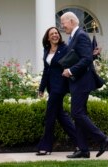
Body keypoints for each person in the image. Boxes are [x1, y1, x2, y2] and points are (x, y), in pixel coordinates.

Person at [60, 12, 108, 158]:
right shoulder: (75, 36)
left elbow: (85, 59)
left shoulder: (80, 35)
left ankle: (103, 138)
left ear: (71, 21)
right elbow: (83, 56)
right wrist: (93, 55)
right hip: (78, 81)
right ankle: (83, 150)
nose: (62, 26)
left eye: (63, 23)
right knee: (78, 114)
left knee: (77, 113)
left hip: (82, 81)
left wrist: (70, 71)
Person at [36, 26, 78, 156]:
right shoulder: (46, 50)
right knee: (61, 116)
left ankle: (46, 147)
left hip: (60, 86)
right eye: (52, 34)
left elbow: (75, 60)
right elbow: (46, 71)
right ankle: (80, 143)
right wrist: (41, 88)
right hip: (51, 87)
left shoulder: (65, 49)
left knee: (50, 115)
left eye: (56, 33)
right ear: (48, 38)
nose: (55, 35)